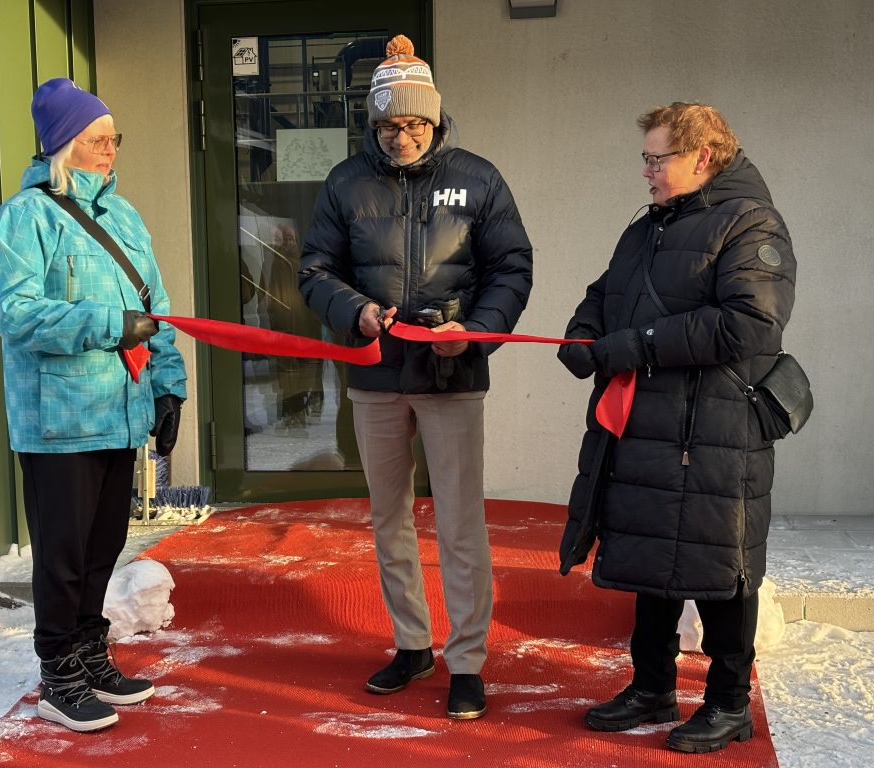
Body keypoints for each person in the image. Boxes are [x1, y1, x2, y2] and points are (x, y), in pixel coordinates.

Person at [298, 35, 533, 720]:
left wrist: (478, 331)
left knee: (461, 523)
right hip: (377, 377)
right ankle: (411, 643)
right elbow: (315, 271)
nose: (403, 136)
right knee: (388, 519)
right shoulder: (346, 183)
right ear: (372, 125)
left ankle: (466, 660)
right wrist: (357, 310)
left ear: (436, 120)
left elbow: (512, 267)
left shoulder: (479, 178)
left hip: (452, 377)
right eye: (390, 125)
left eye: (415, 123)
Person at [556, 102, 796, 753]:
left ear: (703, 158)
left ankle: (727, 703)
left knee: (720, 566)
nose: (647, 172)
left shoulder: (750, 223)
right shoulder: (649, 228)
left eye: (657, 159)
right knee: (647, 556)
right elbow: (605, 292)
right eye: (647, 158)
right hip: (648, 426)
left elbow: (750, 323)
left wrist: (633, 346)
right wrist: (583, 333)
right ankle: (652, 686)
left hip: (716, 430)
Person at [0, 78, 187, 732]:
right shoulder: (25, 217)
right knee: (64, 555)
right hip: (58, 420)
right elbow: (14, 313)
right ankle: (57, 673)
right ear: (62, 146)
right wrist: (108, 324)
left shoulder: (123, 216)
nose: (110, 151)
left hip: (119, 413)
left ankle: (89, 650)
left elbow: (155, 309)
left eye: (113, 139)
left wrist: (168, 383)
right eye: (98, 139)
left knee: (103, 547)